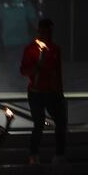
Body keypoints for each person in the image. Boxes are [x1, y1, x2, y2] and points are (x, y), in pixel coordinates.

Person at [20, 18, 66, 165]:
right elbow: (23, 70)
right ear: (40, 30)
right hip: (36, 93)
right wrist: (36, 68)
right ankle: (33, 155)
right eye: (45, 31)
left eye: (50, 31)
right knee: (39, 124)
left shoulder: (55, 49)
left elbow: (58, 72)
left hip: (52, 92)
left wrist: (60, 91)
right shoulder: (31, 49)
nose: (48, 34)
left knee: (61, 122)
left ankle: (59, 154)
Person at [0, 0, 37, 65]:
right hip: (23, 41)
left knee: (13, 65)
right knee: (22, 65)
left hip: (9, 42)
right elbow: (34, 21)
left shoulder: (2, 5)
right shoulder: (26, 3)